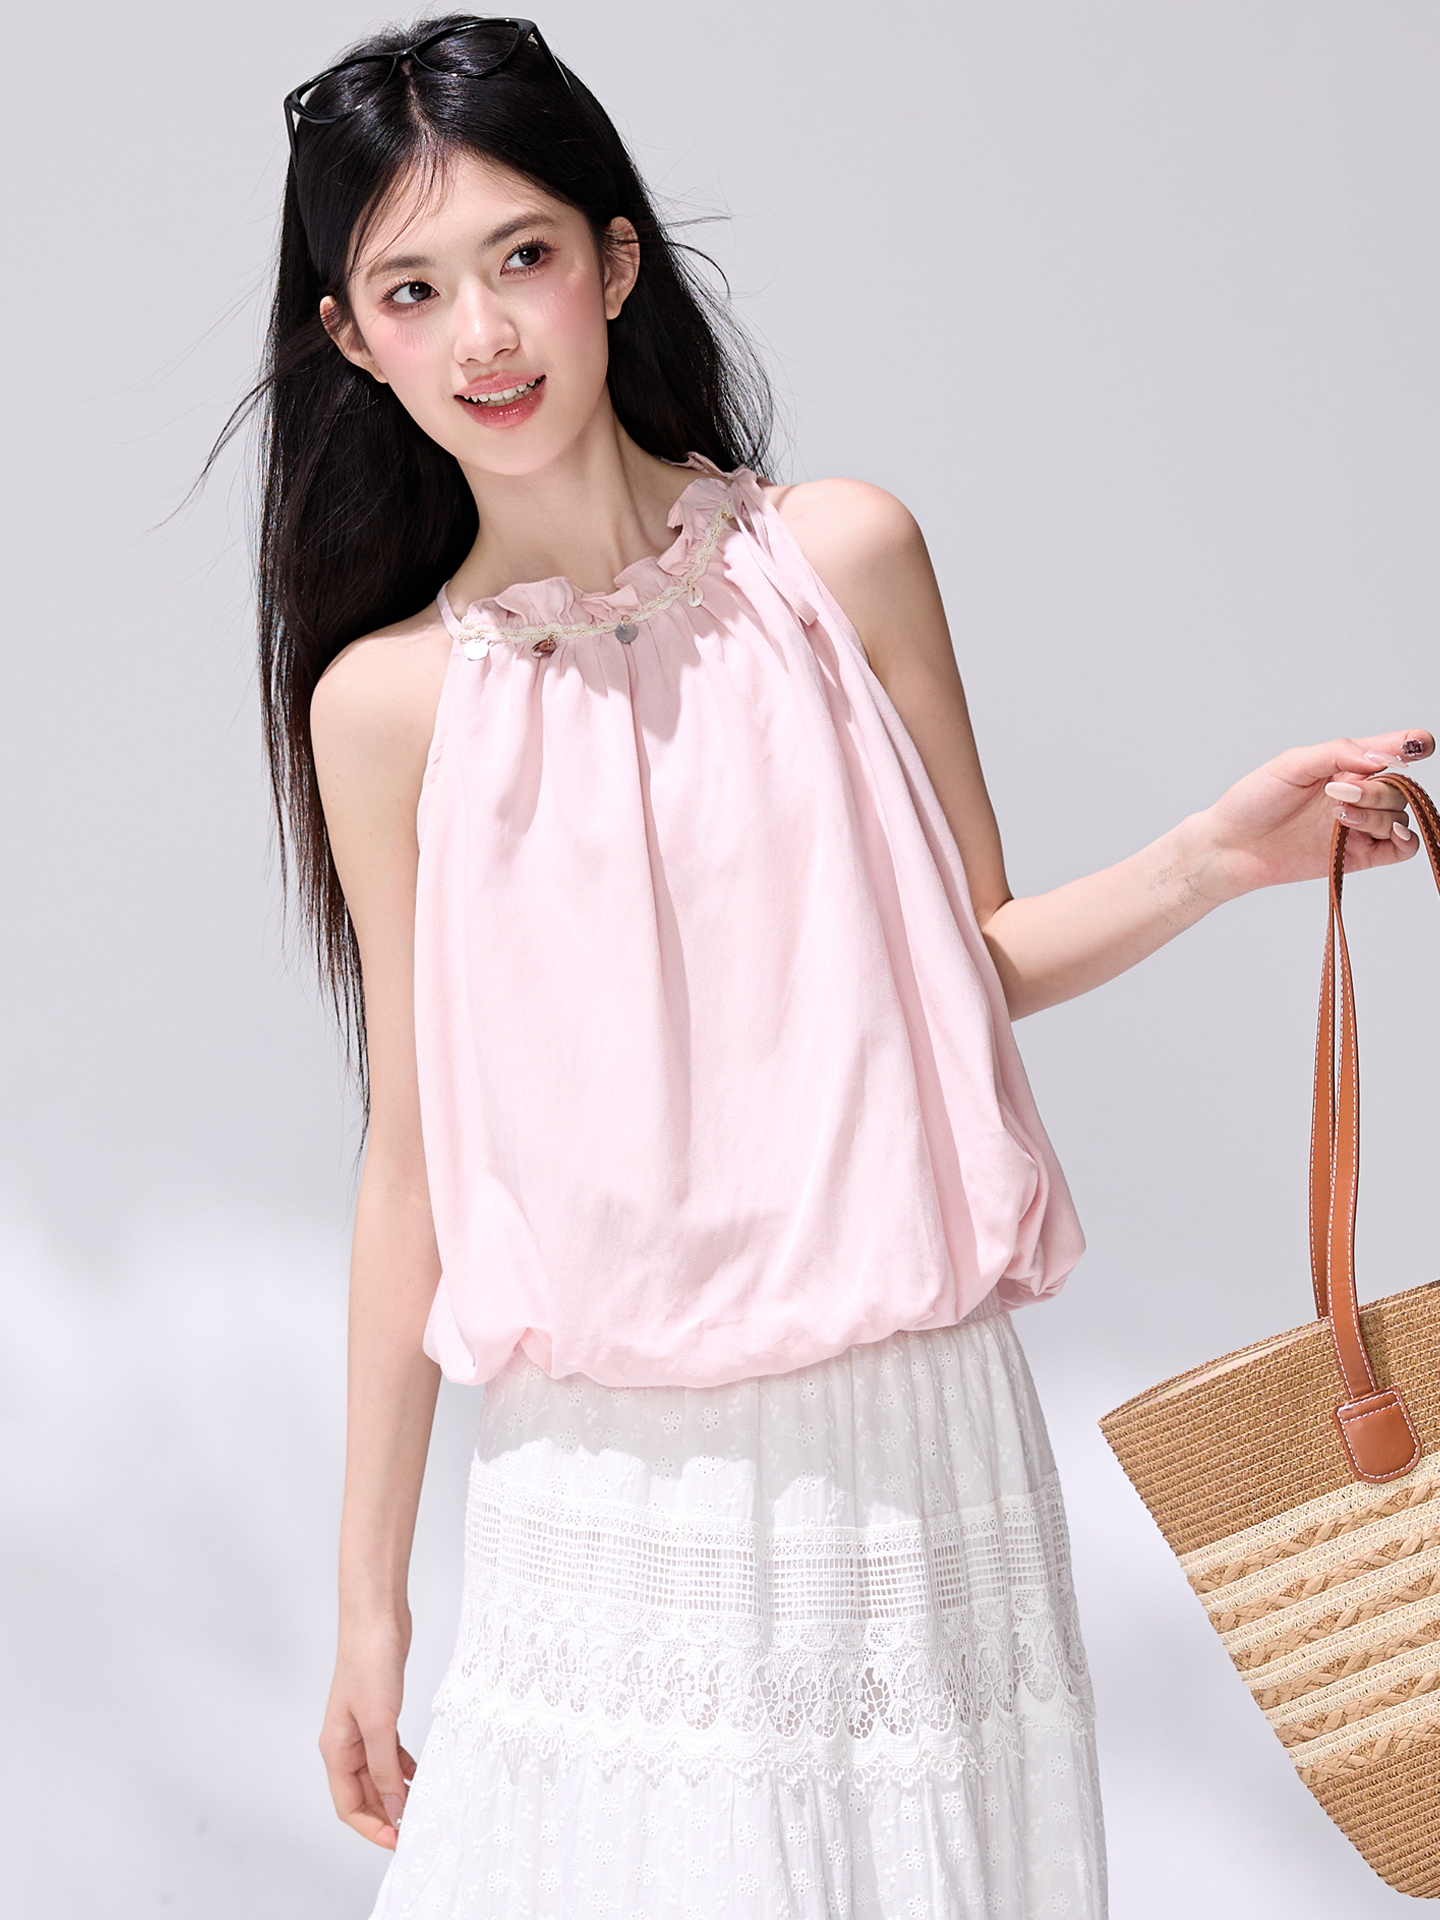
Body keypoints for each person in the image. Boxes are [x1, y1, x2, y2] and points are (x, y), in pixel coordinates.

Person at [237, 16, 1431, 1917]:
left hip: (904, 1442)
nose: (484, 333)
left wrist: (1218, 856)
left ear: (614, 260)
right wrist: (368, 1601)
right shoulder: (388, 709)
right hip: (602, 1481)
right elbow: (416, 1161)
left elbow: (961, 963)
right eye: (415, 289)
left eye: (522, 256)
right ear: (352, 338)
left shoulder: (840, 560)